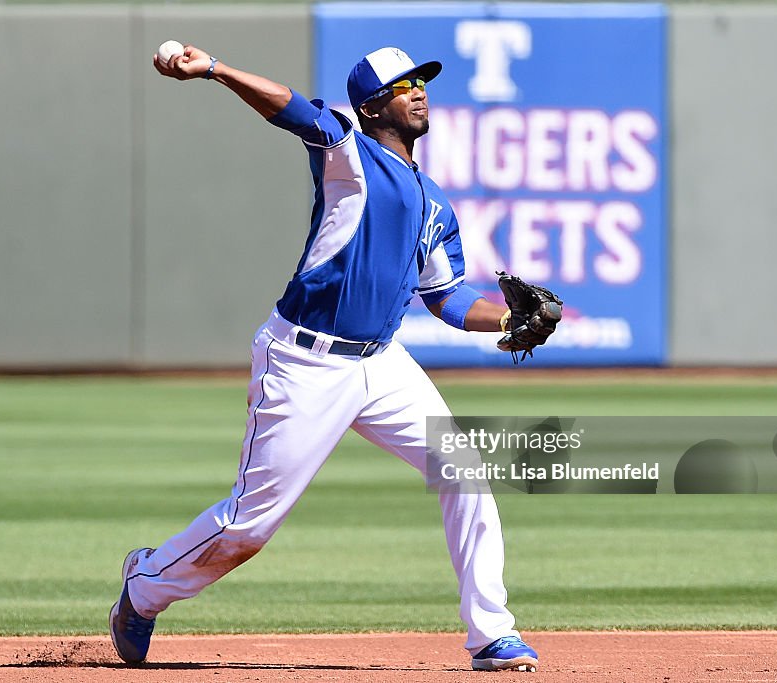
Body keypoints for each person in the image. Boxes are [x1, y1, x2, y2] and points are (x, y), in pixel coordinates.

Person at [108, 44, 540, 673]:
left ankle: (491, 635)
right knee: (248, 527)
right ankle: (143, 588)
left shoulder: (436, 204)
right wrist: (217, 69)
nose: (419, 91)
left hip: (382, 363)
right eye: (404, 85)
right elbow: (288, 107)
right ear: (371, 105)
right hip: (305, 361)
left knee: (463, 471)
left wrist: (505, 317)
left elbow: (447, 296)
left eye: (422, 81)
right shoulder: (348, 153)